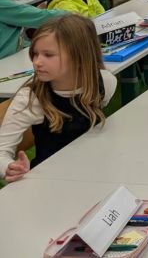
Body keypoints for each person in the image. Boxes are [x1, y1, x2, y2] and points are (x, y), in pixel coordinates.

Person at [0, 14, 116, 181]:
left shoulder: (105, 82)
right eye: (35, 54)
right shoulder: (30, 99)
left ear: (79, 57)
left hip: (94, 173)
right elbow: (2, 151)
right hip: (50, 181)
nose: (37, 62)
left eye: (48, 55)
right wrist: (9, 168)